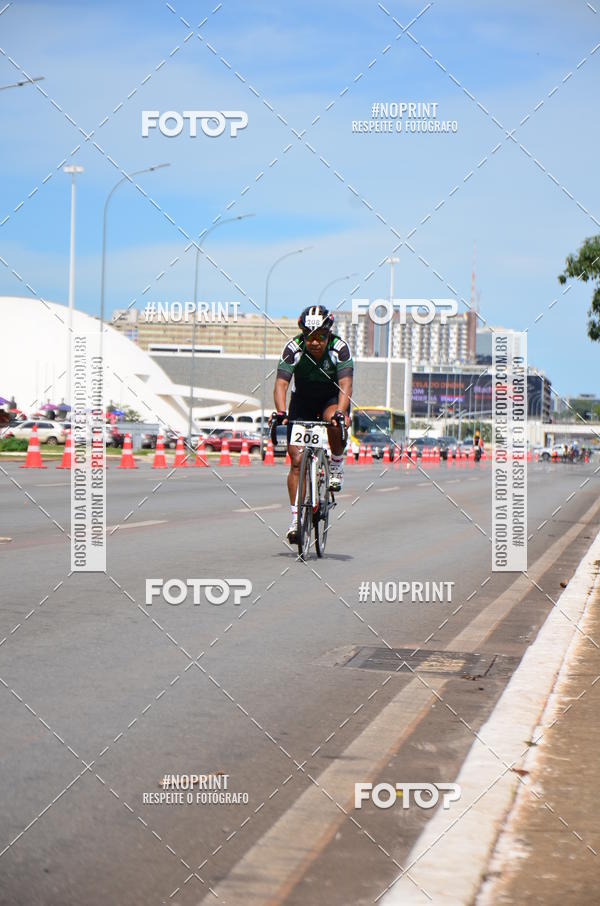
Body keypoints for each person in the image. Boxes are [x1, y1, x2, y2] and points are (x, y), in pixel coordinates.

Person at [271, 305, 353, 544]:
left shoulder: (340, 348)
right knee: (296, 461)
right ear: (303, 335)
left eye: (321, 336)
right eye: (309, 336)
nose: (315, 342)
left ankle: (336, 463)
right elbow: (281, 384)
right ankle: (296, 520)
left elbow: (346, 385)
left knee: (334, 421)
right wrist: (281, 412)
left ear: (329, 334)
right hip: (303, 401)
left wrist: (341, 412)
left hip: (331, 399)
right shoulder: (293, 348)